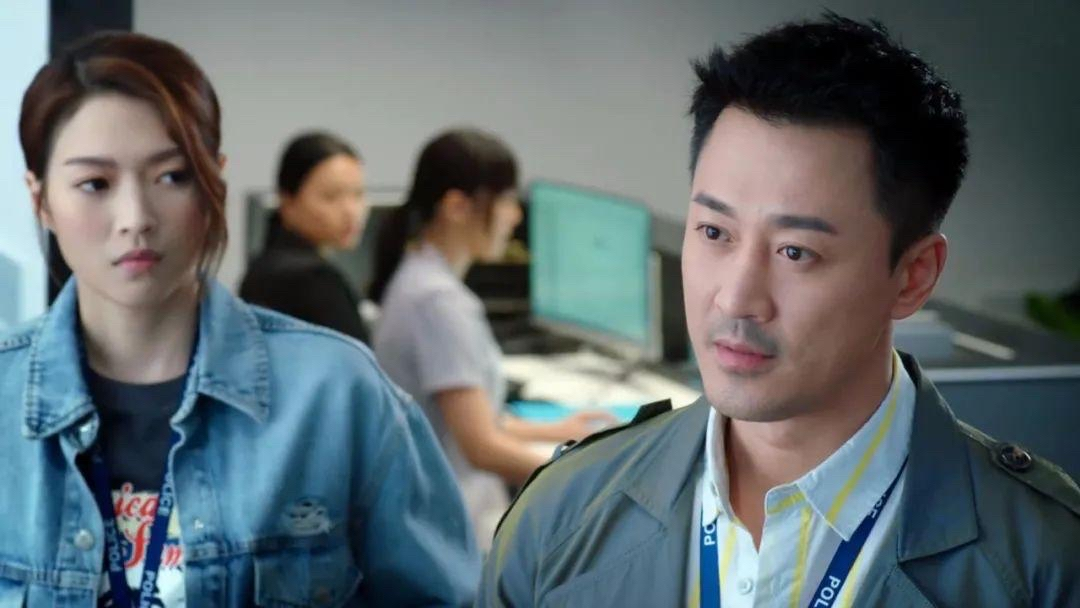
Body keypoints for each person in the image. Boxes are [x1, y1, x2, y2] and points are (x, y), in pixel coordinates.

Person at [479, 13, 1080, 607]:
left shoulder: (1044, 564)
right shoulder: (563, 514)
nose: (736, 298)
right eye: (714, 232)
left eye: (796, 252)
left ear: (912, 276)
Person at [1, 31, 478, 606]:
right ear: (41, 200)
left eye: (171, 176)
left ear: (216, 183)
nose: (135, 217)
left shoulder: (335, 394)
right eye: (94, 184)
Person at [370, 128, 616, 550]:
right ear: (456, 206)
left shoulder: (420, 279)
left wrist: (555, 430)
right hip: (451, 534)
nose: (514, 216)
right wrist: (585, 480)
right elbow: (480, 447)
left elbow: (472, 418)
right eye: (504, 201)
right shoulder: (438, 303)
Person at [240, 131, 370, 343]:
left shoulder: (262, 267)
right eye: (331, 196)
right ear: (287, 200)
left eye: (358, 194)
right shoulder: (313, 280)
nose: (351, 211)